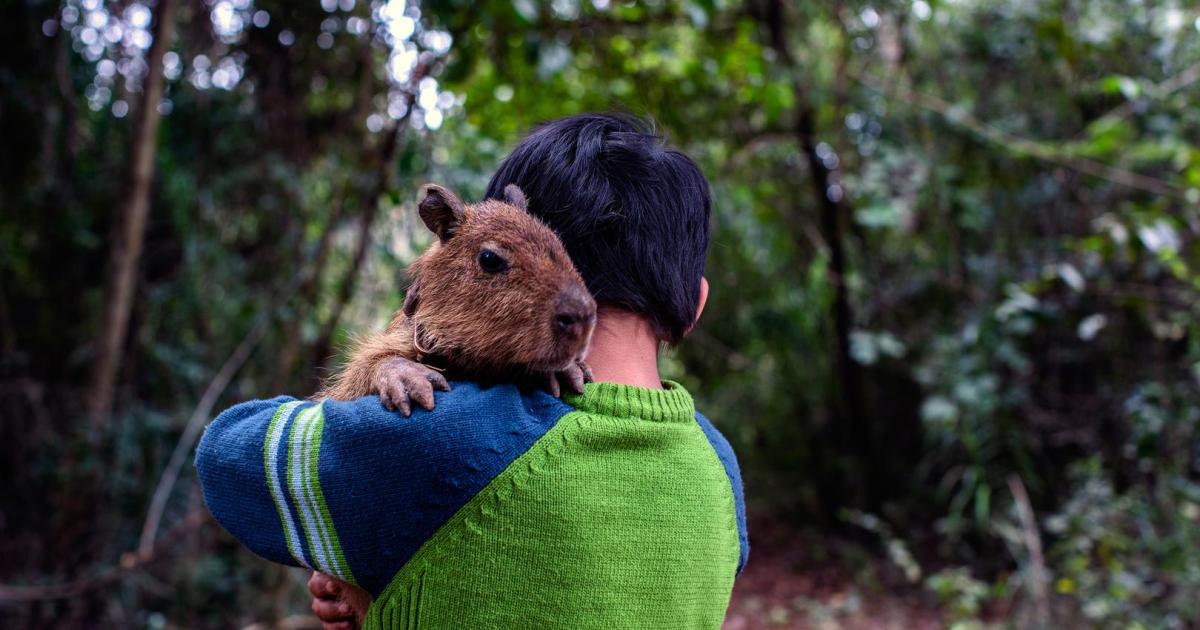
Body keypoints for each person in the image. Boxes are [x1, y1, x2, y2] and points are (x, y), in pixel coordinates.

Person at [195, 113, 748, 630]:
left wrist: (351, 537)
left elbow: (225, 455)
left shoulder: (445, 443)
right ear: (694, 306)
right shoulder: (721, 470)